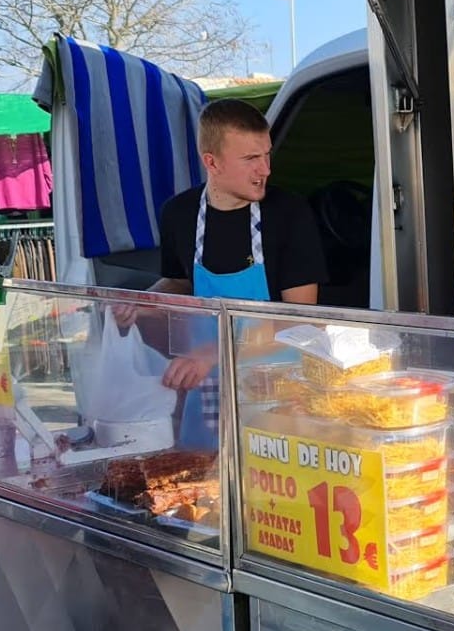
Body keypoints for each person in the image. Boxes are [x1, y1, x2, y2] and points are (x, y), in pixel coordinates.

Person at [116, 98, 328, 445]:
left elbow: (300, 319)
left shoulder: (289, 214)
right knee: (201, 489)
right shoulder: (179, 214)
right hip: (208, 389)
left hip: (280, 393)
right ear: (211, 162)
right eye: (250, 159)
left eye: (266, 155)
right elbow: (180, 282)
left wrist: (214, 352)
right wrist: (141, 303)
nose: (265, 169)